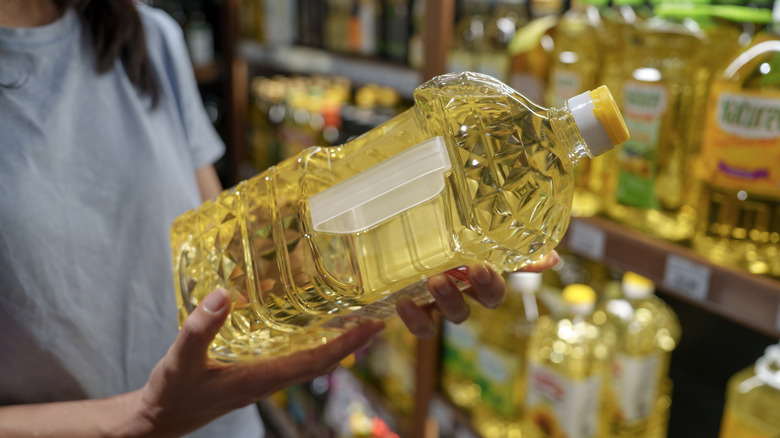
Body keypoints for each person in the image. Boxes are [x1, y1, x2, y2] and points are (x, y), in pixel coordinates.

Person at [0, 0, 559, 436]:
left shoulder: (144, 37)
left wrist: (394, 265)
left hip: (229, 426)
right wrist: (141, 419)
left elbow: (239, 246)